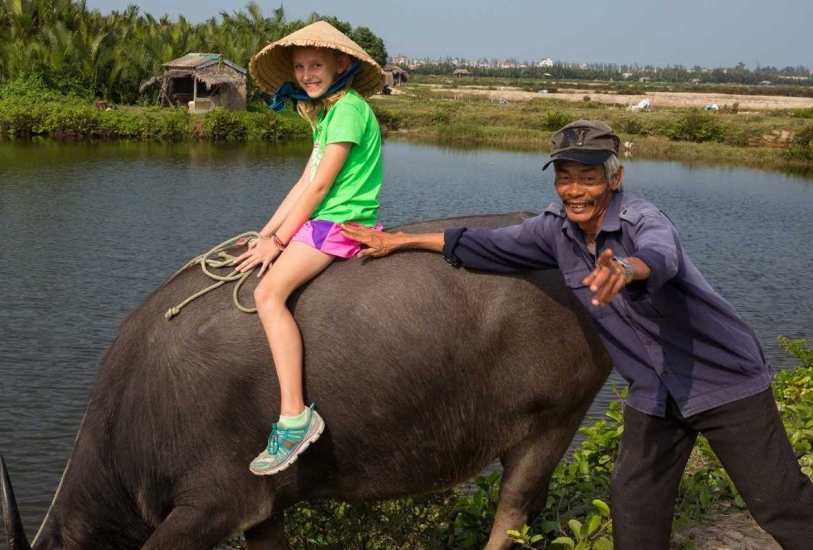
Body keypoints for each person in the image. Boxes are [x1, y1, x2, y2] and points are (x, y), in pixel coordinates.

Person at [340, 119, 813, 549]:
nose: (575, 190)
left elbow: (660, 256)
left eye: (588, 177)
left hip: (722, 382)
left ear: (616, 178)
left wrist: (627, 268)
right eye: (564, 177)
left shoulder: (642, 220)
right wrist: (402, 240)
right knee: (635, 518)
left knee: (780, 505)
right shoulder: (555, 232)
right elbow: (485, 245)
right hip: (654, 395)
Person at [235, 21, 386, 476]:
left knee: (267, 294)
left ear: (341, 64)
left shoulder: (350, 111)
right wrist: (265, 233)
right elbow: (303, 181)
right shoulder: (326, 114)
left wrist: (281, 241)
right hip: (322, 218)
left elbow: (320, 187)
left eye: (315, 65)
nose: (306, 75)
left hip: (340, 223)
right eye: (300, 67)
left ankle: (295, 417)